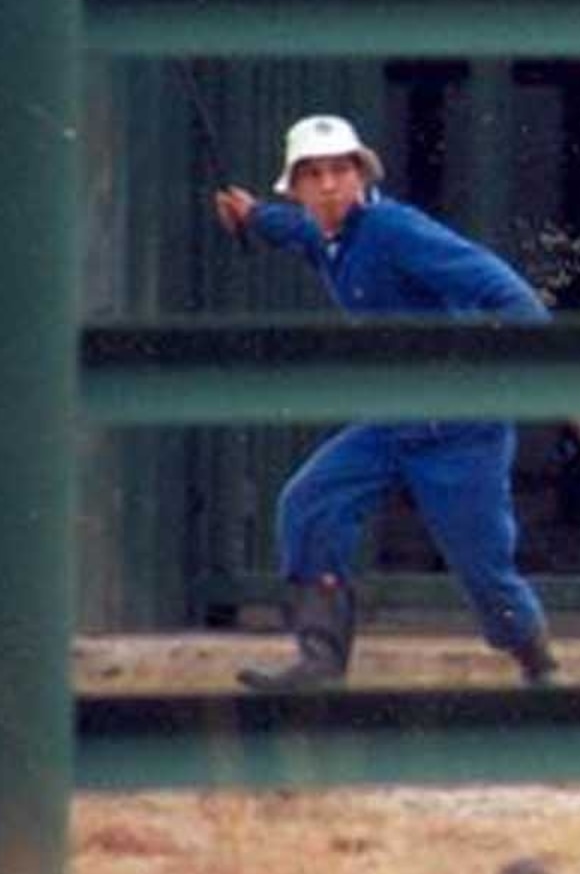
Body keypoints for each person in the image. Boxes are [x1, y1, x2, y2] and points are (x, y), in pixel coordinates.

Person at [210, 113, 560, 691]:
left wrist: (522, 355)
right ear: (295, 188)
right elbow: (298, 232)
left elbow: (506, 293)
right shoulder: (327, 234)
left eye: (340, 171)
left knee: (484, 571)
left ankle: (540, 669)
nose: (329, 186)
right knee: (310, 504)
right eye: (313, 175)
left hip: (459, 428)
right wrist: (253, 216)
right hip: (394, 419)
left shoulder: (396, 230)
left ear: (362, 175)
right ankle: (321, 660)